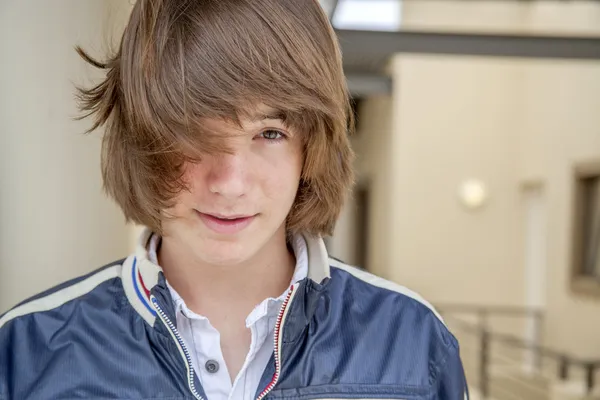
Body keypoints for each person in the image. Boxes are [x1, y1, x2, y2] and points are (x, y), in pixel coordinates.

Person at [0, 0, 468, 399]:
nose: (229, 183)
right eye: (192, 132)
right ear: (139, 140)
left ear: (311, 146)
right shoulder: (27, 351)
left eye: (270, 133)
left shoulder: (413, 345)